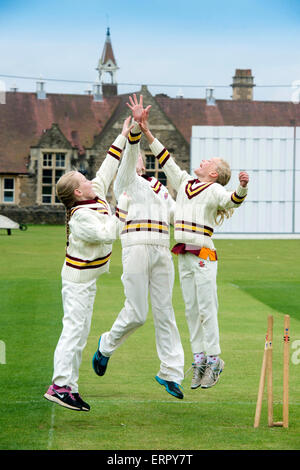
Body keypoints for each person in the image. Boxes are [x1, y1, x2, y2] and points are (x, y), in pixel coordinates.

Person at [138, 106, 249, 390]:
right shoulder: (186, 182)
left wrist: (243, 187)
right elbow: (166, 161)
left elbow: (231, 201)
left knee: (206, 307)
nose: (202, 161)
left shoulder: (213, 190)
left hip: (203, 254)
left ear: (214, 172)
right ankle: (198, 358)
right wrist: (147, 131)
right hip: (183, 253)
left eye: (207, 161)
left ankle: (215, 359)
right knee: (190, 308)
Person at [92, 95, 185, 399]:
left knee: (165, 311)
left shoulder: (160, 188)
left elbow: (178, 216)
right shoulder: (124, 183)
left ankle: (170, 372)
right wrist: (135, 128)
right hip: (135, 247)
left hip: (161, 248)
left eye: (145, 158)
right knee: (137, 313)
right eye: (136, 158)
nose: (140, 161)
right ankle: (106, 345)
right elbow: (130, 157)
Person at [44, 117, 133, 411]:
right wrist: (121, 210)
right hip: (77, 281)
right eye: (83, 181)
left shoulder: (90, 195)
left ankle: (71, 386)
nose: (89, 180)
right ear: (78, 193)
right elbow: (109, 234)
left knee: (80, 334)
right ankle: (59, 386)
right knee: (73, 331)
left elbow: (107, 168)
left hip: (88, 279)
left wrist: (122, 136)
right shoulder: (81, 217)